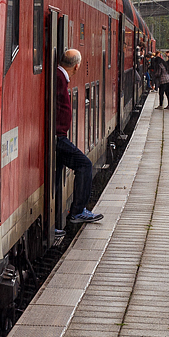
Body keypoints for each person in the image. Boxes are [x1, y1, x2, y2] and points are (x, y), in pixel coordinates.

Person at [54, 48, 102, 224]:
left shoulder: (59, 77)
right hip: (58, 138)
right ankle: (78, 211)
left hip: (57, 136)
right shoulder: (59, 79)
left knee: (58, 176)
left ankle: (57, 224)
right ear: (76, 66)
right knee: (84, 165)